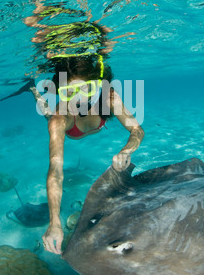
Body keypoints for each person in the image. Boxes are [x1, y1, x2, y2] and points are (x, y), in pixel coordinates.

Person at [29, 54, 145, 255]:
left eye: (87, 89)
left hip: (83, 125)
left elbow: (137, 130)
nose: (78, 99)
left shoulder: (109, 98)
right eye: (68, 92)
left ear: (97, 85)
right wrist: (54, 222)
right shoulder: (60, 118)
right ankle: (33, 90)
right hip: (69, 129)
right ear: (60, 92)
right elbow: (55, 171)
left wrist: (126, 151)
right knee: (50, 116)